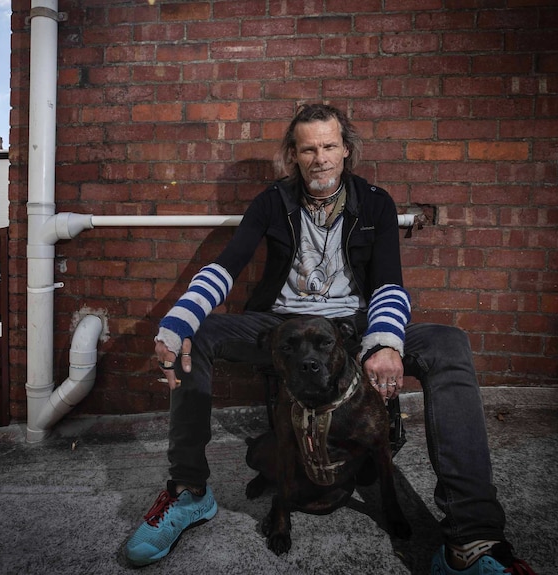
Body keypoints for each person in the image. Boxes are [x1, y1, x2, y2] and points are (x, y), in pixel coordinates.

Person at [124, 103, 536, 575]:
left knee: (448, 343)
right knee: (193, 336)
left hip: (353, 325)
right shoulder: (272, 202)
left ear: (346, 151)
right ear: (293, 156)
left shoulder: (375, 202)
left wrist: (383, 341)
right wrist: (177, 323)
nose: (319, 158)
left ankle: (471, 538)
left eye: (329, 146)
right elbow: (226, 266)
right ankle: (188, 493)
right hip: (281, 325)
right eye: (308, 149)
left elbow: (388, 284)